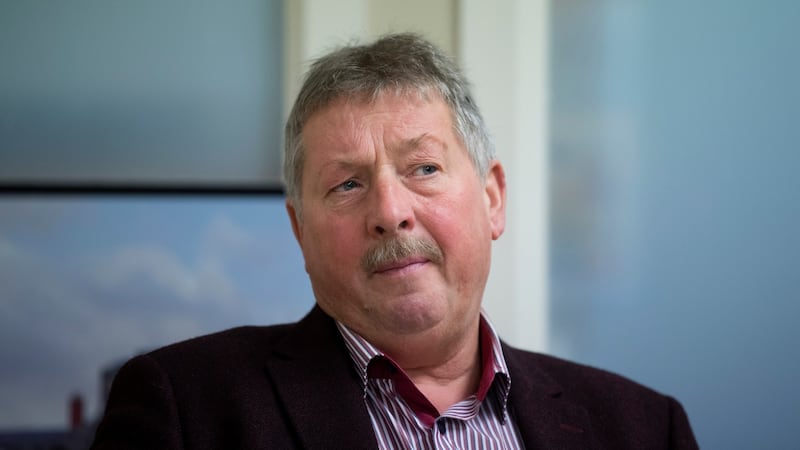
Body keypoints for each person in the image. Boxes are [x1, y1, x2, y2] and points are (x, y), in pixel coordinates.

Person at [91, 33, 698, 449]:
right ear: (300, 231)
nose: (390, 212)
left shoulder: (644, 428)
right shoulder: (184, 409)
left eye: (424, 169)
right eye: (348, 183)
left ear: (492, 197)